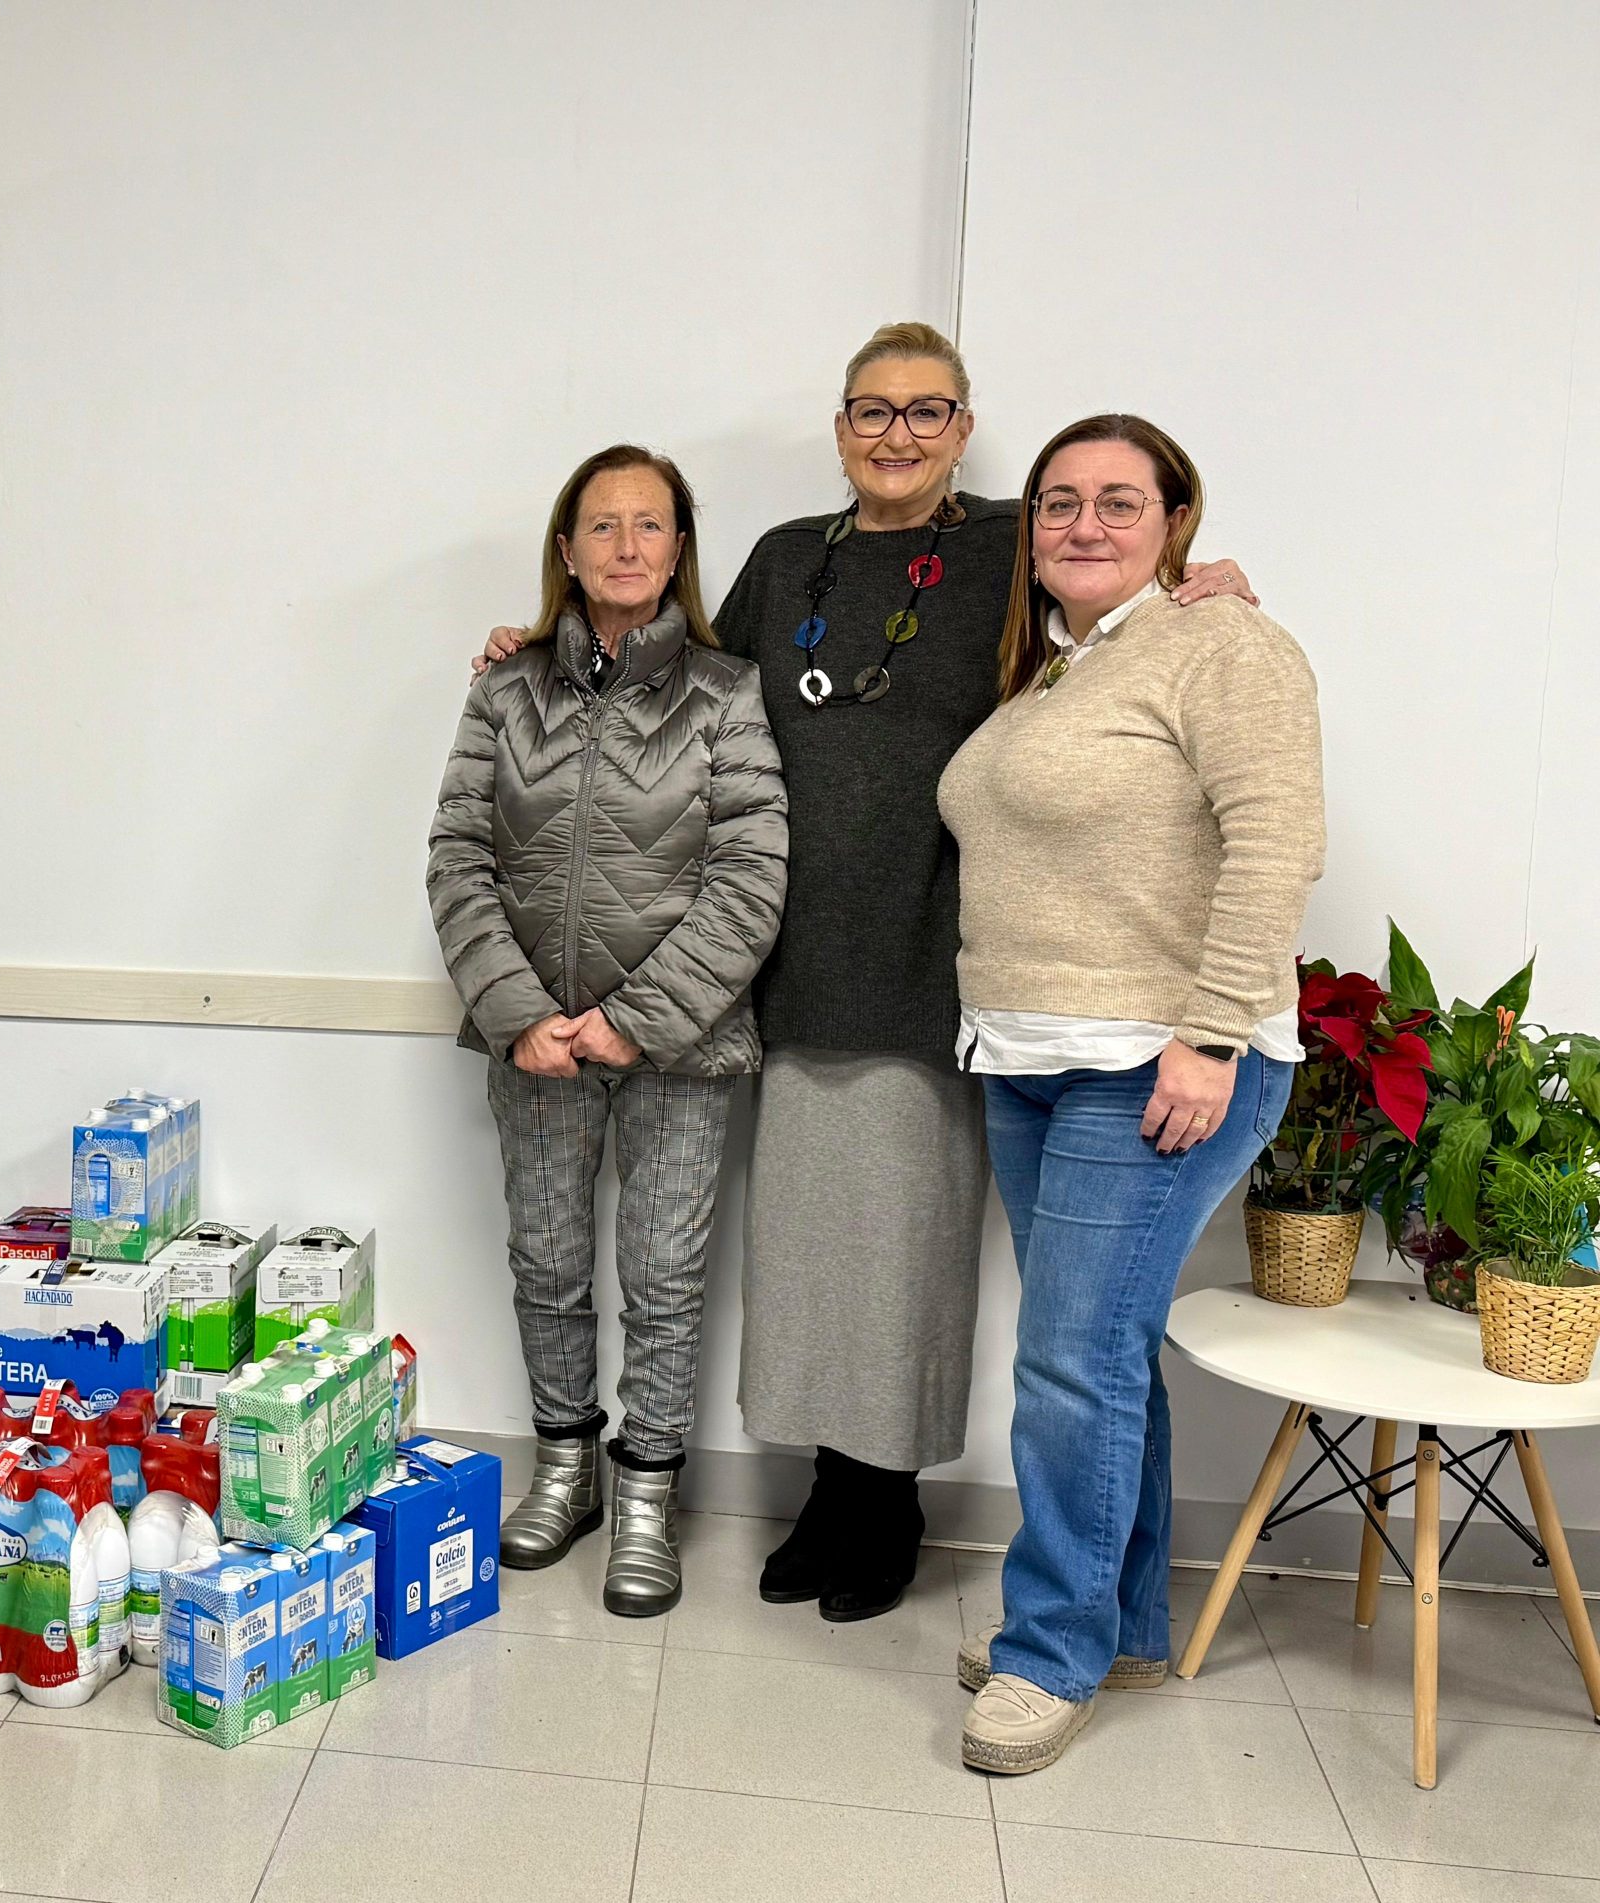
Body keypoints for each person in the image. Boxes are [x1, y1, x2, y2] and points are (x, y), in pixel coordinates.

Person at [474, 324, 1260, 1621]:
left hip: (929, 956)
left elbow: (1114, 588)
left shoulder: (1017, 544)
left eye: (925, 411)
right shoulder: (792, 560)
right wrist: (543, 644)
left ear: (961, 426)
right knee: (808, 1258)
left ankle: (882, 1503)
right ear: (842, 427)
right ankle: (827, 1496)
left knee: (904, 1254)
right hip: (780, 962)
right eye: (871, 411)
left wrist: (1202, 583)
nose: (896, 433)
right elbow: (677, 682)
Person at [937, 414, 1322, 1774]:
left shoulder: (1227, 645)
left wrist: (1213, 1034)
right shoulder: (1052, 671)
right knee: (1097, 1360)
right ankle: (1127, 1625)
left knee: (1068, 1363)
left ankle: (1051, 1652)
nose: (1083, 524)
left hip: (1161, 1062)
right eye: (1058, 502)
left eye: (1118, 500)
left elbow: (1279, 839)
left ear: (1175, 520)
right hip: (1034, 1062)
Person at [427, 444, 787, 1617]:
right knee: (548, 1263)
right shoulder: (504, 686)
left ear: (679, 548)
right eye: (602, 526)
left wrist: (634, 1022)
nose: (626, 547)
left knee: (664, 1276)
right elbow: (458, 858)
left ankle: (646, 1498)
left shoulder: (728, 692)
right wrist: (522, 1014)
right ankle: (567, 1468)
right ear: (567, 551)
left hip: (681, 1048)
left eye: (649, 526)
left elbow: (751, 876)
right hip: (531, 1043)